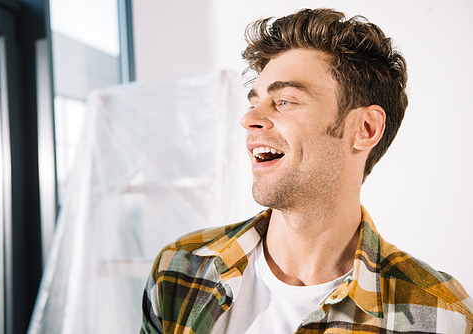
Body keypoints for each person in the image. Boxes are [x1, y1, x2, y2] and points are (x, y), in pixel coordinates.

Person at [141, 8, 473, 333]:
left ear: (366, 129)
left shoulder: (441, 316)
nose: (249, 119)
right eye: (253, 101)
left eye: (284, 100)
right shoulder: (179, 272)